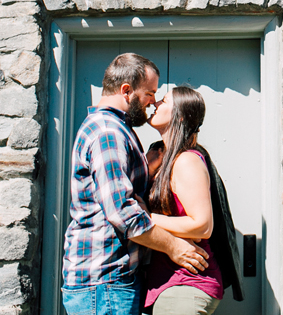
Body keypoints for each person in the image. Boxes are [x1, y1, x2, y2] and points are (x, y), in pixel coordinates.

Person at [62, 54, 209, 315]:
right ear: (126, 91)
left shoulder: (116, 129)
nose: (153, 101)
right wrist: (174, 247)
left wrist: (146, 166)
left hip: (109, 282)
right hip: (105, 280)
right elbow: (122, 212)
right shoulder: (108, 132)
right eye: (150, 93)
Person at [142, 86, 234, 315]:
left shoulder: (186, 161)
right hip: (173, 284)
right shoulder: (163, 159)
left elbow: (201, 226)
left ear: (180, 116)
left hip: (186, 285)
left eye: (163, 101)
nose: (154, 104)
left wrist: (145, 218)